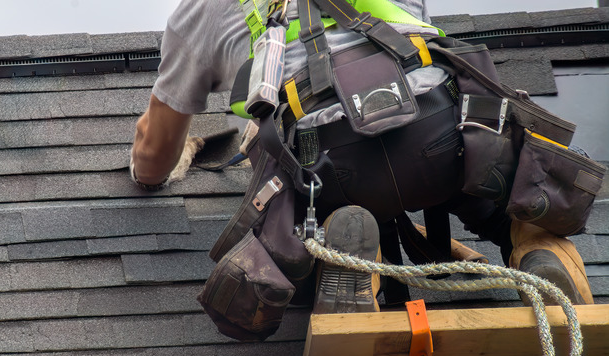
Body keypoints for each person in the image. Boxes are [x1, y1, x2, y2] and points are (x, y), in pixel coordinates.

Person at [130, 0, 594, 315]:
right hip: (442, 131)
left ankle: (348, 256)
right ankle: (536, 246)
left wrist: (147, 162)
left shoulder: (202, 11)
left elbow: (153, 159)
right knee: (473, 185)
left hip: (331, 164)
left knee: (284, 158)